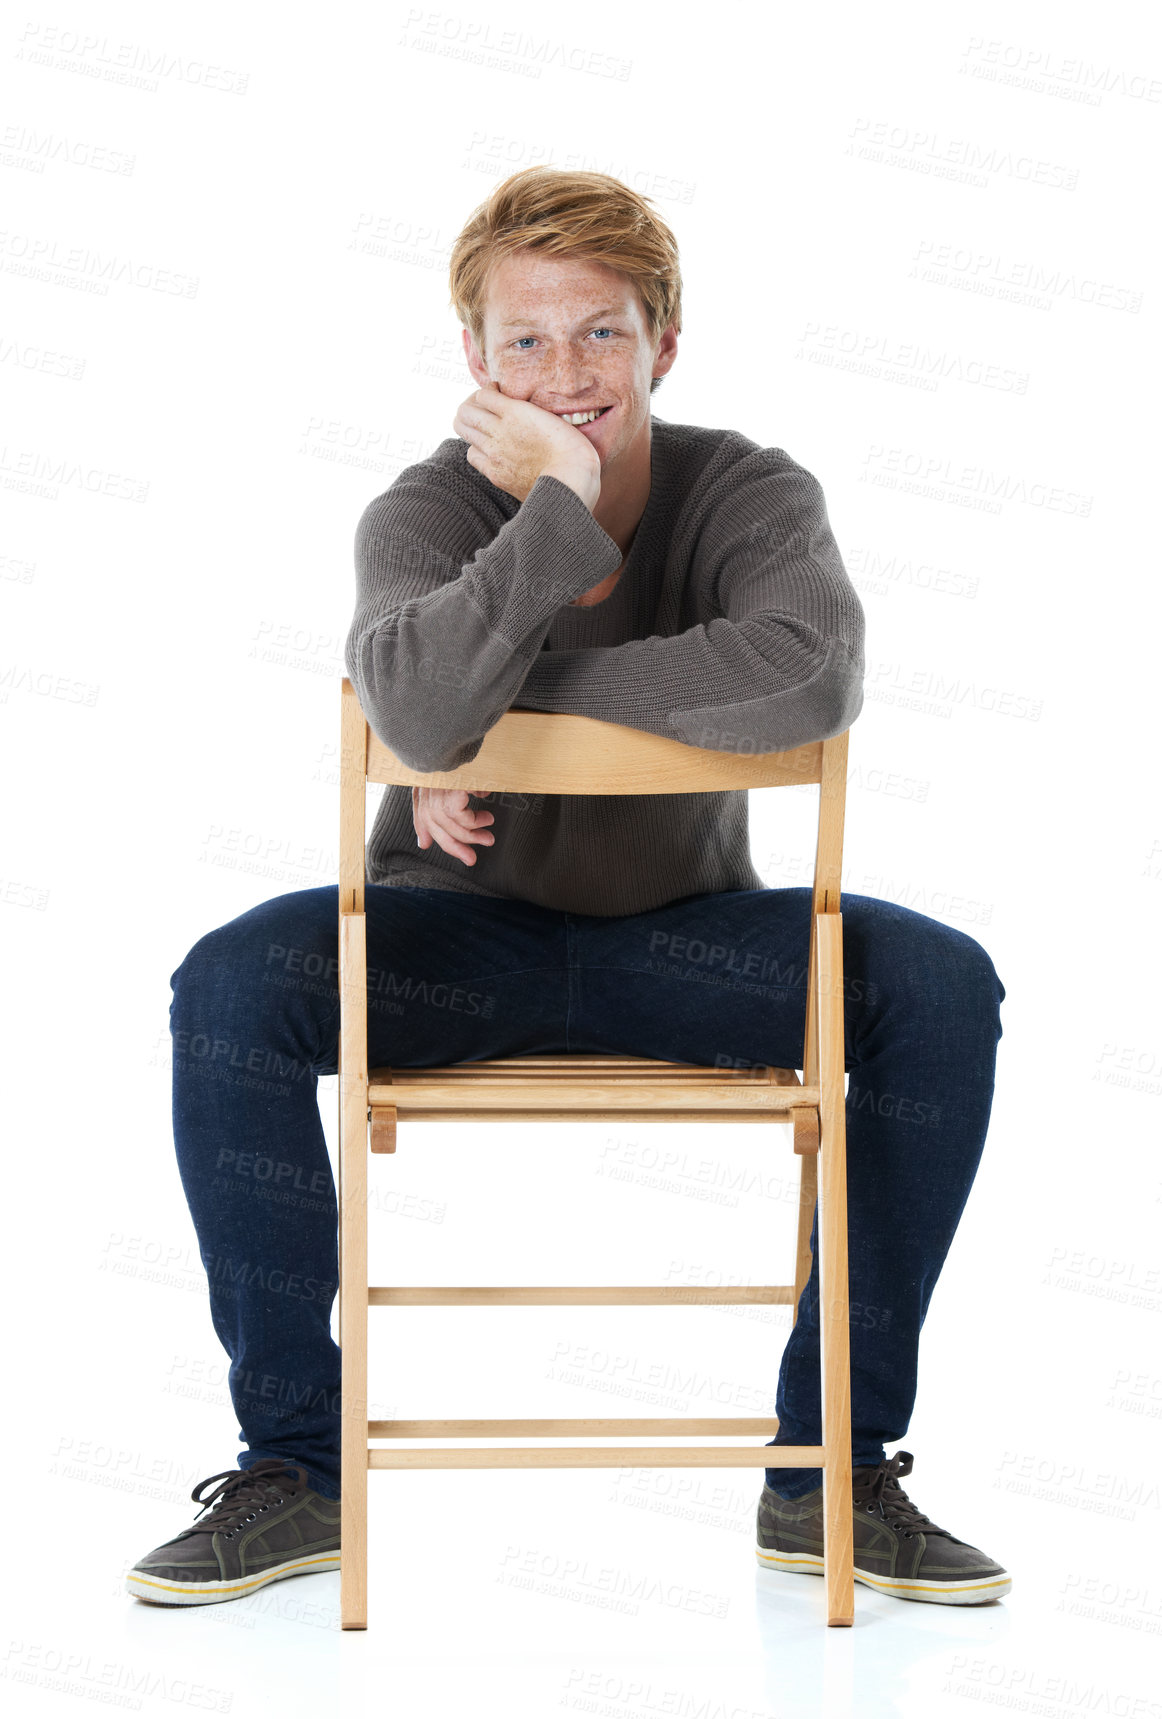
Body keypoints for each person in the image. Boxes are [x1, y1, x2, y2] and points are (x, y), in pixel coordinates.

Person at [127, 166, 1009, 1610]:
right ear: (476, 360)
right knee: (231, 977)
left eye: (599, 334)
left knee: (933, 980)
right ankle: (295, 1467)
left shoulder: (748, 488)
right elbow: (409, 703)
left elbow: (806, 670)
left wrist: (496, 713)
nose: (565, 373)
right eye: (525, 343)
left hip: (691, 943)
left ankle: (828, 1468)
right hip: (446, 939)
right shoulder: (419, 507)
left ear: (664, 342)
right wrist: (561, 512)